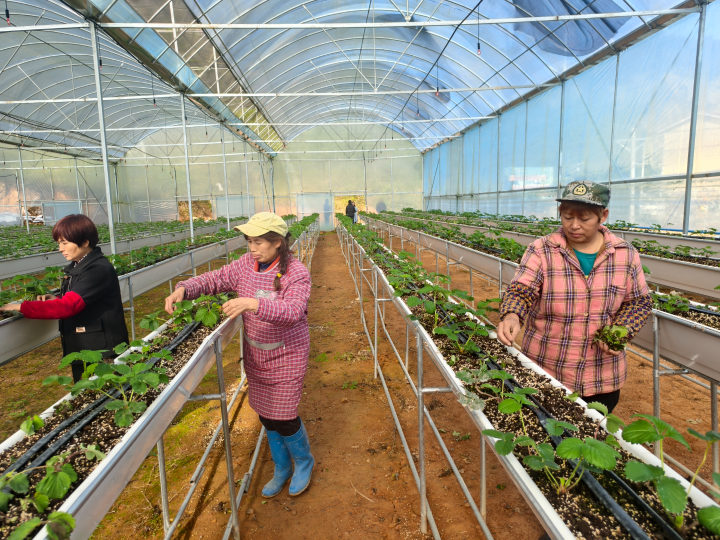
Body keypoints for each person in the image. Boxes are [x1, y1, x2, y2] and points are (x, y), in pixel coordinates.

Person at [164, 212, 314, 497]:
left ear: (278, 243)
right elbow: (216, 278)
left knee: (283, 415)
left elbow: (293, 312)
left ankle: (304, 461)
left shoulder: (296, 272)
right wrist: (185, 288)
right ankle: (281, 467)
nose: (252, 247)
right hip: (257, 353)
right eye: (249, 241)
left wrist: (252, 303)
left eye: (258, 241)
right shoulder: (247, 265)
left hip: (287, 354)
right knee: (266, 414)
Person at [496, 181, 652, 414]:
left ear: (603, 216)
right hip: (545, 370)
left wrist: (621, 329)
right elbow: (521, 290)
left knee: (589, 440)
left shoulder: (625, 254)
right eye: (567, 217)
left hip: (601, 377)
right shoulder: (542, 250)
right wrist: (511, 315)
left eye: (584, 218)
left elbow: (639, 301)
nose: (574, 225)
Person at [0, 214, 129, 382]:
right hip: (85, 345)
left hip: (101, 350)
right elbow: (82, 296)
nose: (60, 248)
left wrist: (17, 307)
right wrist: (56, 298)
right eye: (59, 243)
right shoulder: (80, 266)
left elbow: (68, 306)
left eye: (65, 243)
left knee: (104, 395)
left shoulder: (97, 269)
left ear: (84, 242)